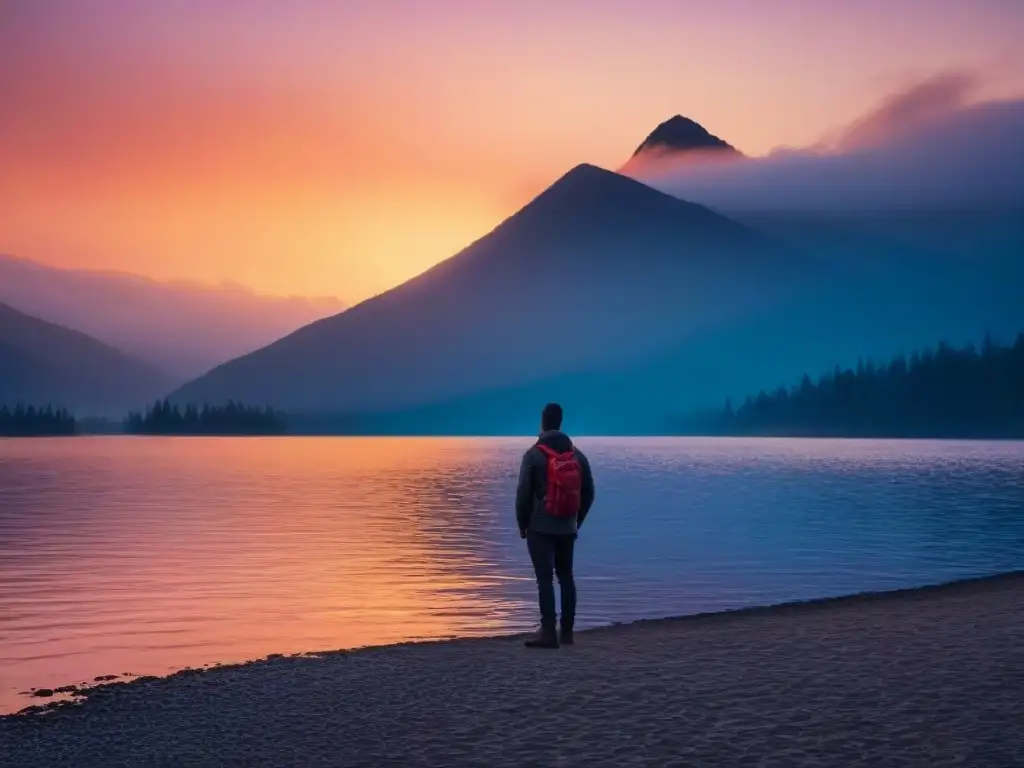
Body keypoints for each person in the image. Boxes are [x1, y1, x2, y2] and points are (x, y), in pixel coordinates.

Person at [515, 402, 595, 649]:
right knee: (566, 577)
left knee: (545, 579)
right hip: (567, 526)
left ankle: (548, 632)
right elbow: (589, 492)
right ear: (560, 422)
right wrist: (576, 520)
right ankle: (568, 633)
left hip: (540, 526)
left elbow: (523, 494)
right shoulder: (577, 455)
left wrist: (522, 524)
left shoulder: (533, 455)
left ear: (543, 422)